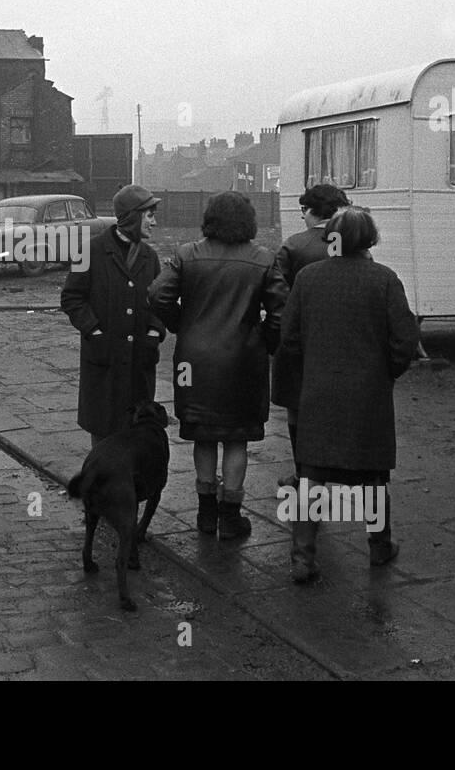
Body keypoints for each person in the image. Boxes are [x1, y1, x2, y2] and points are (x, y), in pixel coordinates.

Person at [279, 206, 421, 583]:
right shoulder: (385, 280)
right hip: (369, 395)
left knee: (310, 477)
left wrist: (311, 369)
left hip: (318, 392)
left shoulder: (307, 278)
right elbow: (405, 340)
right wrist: (386, 372)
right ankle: (378, 547)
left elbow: (288, 338)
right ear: (370, 240)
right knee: (373, 475)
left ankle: (302, 558)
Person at [149, 191, 288, 539]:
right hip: (243, 360)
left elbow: (157, 295)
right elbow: (281, 312)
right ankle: (231, 516)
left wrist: (182, 323)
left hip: (194, 362)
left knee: (204, 435)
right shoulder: (263, 259)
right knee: (237, 438)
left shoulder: (187, 255)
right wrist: (265, 341)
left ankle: (205, 514)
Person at [60, 184, 167, 447]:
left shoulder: (150, 257)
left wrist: (154, 333)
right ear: (133, 216)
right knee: (104, 441)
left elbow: (160, 302)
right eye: (149, 215)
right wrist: (94, 332)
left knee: (137, 438)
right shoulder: (89, 251)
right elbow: (72, 297)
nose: (154, 222)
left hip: (138, 366)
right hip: (104, 364)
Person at [270, 184, 351, 487]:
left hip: (299, 342)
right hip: (342, 342)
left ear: (309, 211)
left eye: (302, 210)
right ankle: (329, 471)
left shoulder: (293, 246)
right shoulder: (353, 243)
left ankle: (304, 472)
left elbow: (279, 298)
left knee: (296, 408)